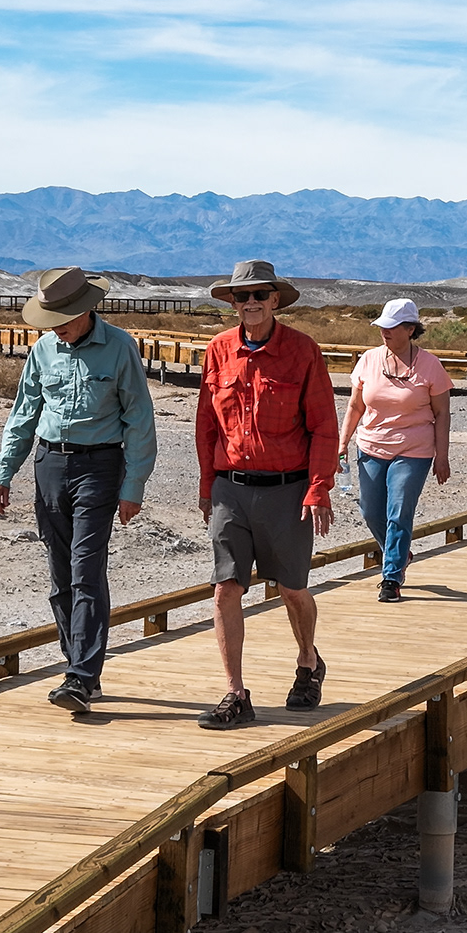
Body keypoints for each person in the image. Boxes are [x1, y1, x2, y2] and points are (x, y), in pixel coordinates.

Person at [0, 267, 157, 714]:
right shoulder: (43, 350)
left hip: (100, 466)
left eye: (62, 319)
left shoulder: (120, 347)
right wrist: (4, 472)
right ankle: (79, 666)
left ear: (86, 310)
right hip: (50, 465)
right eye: (50, 320)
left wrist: (133, 485)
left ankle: (81, 675)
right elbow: (24, 414)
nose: (55, 328)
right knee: (60, 575)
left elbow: (139, 419)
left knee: (86, 569)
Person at [191, 259, 339, 731]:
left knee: (292, 589)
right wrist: (206, 484)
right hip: (230, 489)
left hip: (287, 490)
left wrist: (318, 488)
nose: (251, 302)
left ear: (276, 300)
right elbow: (206, 423)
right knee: (225, 588)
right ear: (232, 303)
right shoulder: (218, 349)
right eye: (242, 296)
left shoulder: (302, 351)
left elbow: (324, 426)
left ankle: (308, 660)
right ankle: (236, 693)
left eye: (260, 294)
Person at [349, 297, 454, 603]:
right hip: (371, 445)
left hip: (413, 450)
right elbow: (355, 406)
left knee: (398, 511)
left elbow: (442, 413)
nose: (385, 331)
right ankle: (400, 553)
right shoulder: (368, 359)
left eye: (392, 327)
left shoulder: (430, 365)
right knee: (371, 511)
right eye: (382, 326)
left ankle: (391, 577)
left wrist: (442, 456)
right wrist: (341, 443)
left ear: (410, 329)